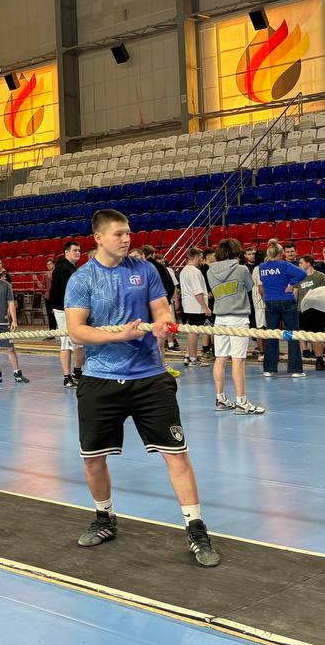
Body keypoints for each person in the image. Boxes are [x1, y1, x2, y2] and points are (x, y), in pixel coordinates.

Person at [65, 209, 221, 567]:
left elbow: (162, 309)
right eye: (118, 234)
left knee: (176, 454)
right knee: (92, 459)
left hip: (149, 376)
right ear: (99, 238)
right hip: (101, 378)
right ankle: (104, 517)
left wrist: (164, 323)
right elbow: (77, 330)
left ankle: (196, 528)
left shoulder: (145, 270)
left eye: (128, 232)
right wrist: (120, 335)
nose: (127, 239)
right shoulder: (82, 278)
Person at [206, 239, 263, 414]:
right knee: (238, 360)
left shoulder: (210, 271)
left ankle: (221, 399)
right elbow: (250, 287)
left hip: (220, 318)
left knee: (220, 358)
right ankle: (241, 402)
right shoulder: (241, 269)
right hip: (238, 318)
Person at [257, 244, 306, 377]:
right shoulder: (284, 265)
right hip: (286, 300)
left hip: (270, 302)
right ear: (281, 253)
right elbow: (303, 273)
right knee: (292, 334)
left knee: (271, 335)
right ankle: (295, 370)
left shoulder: (262, 267)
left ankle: (269, 369)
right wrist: (291, 284)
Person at [49, 241, 85, 388]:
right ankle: (67, 378)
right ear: (66, 252)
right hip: (63, 310)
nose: (78, 253)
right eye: (75, 250)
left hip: (75, 310)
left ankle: (77, 373)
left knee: (79, 343)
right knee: (66, 343)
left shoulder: (73, 268)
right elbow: (58, 292)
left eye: (79, 250)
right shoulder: (62, 269)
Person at [177, 248, 210, 367]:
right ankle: (193, 358)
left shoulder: (184, 270)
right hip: (196, 307)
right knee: (194, 333)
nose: (202, 260)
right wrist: (205, 307)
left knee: (192, 332)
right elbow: (198, 292)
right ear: (196, 257)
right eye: (201, 257)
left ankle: (188, 356)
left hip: (188, 306)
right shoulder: (195, 272)